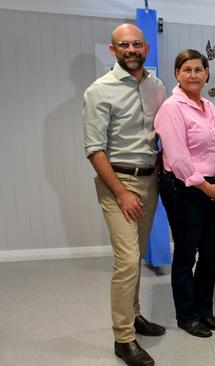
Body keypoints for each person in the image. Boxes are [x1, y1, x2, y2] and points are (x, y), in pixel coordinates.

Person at [83, 24, 166, 366]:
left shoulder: (158, 86)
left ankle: (134, 315)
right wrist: (120, 192)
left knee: (136, 254)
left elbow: (162, 132)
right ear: (112, 50)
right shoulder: (99, 91)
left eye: (136, 44)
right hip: (118, 183)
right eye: (123, 45)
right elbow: (94, 149)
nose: (131, 49)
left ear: (145, 47)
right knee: (128, 260)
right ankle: (123, 338)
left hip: (150, 181)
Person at [154, 49, 215, 338]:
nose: (194, 75)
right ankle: (187, 316)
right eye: (187, 70)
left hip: (210, 184)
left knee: (211, 251)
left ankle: (204, 310)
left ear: (206, 73)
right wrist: (206, 186)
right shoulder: (172, 108)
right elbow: (178, 156)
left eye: (199, 69)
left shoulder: (209, 107)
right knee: (187, 254)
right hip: (183, 188)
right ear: (177, 74)